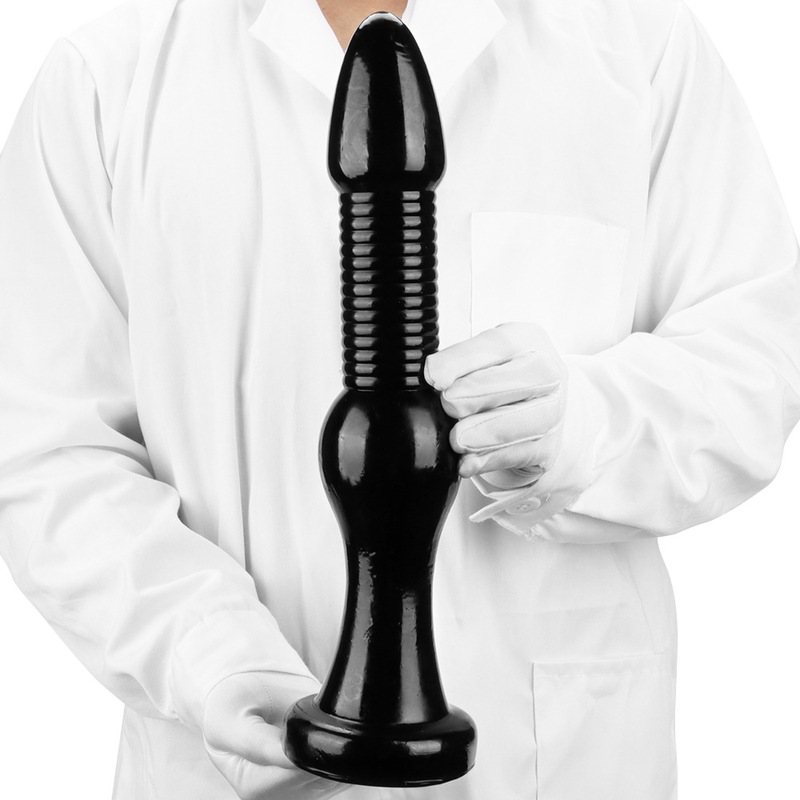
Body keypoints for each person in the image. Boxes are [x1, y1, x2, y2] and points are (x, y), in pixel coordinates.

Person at [1, 0, 798, 798]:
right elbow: (47, 455)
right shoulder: (105, 83)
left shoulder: (638, 44)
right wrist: (208, 652)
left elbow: (755, 362)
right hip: (227, 775)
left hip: (559, 764)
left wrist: (586, 426)